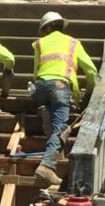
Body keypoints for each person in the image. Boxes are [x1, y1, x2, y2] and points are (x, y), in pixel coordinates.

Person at [32, 11, 97, 186]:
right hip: (60, 87)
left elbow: (35, 72)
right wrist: (88, 93)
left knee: (50, 105)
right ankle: (47, 166)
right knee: (60, 128)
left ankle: (45, 109)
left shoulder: (39, 43)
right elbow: (91, 71)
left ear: (46, 28)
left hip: (39, 88)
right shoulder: (73, 43)